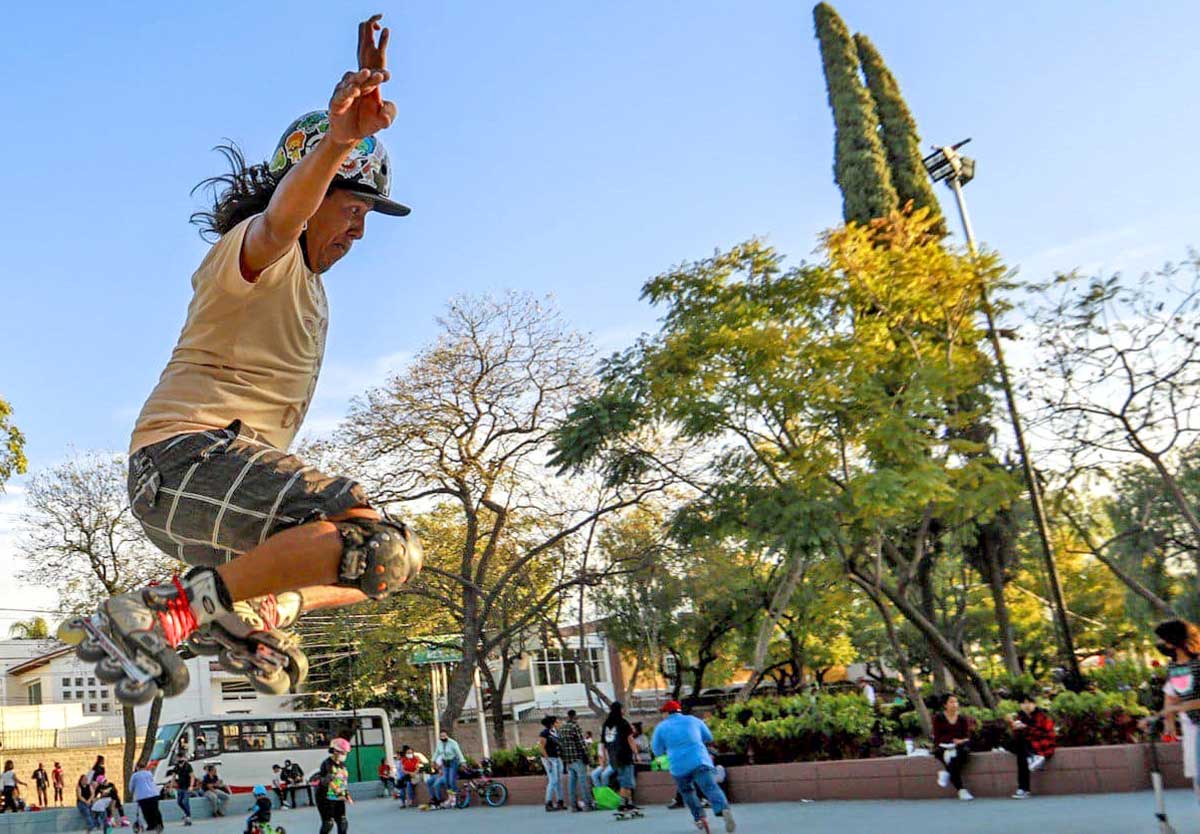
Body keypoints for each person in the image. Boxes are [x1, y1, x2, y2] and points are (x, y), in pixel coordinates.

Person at [57, 13, 423, 709]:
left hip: (210, 493)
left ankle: (253, 610)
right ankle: (169, 611)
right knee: (362, 522)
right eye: (351, 207)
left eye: (369, 216)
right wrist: (338, 142)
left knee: (389, 558)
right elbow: (285, 214)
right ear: (313, 196)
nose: (359, 228)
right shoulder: (258, 253)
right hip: (180, 464)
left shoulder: (313, 294)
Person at [651, 700, 736, 833]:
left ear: (667, 713)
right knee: (710, 787)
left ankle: (699, 817)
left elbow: (657, 750)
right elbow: (708, 737)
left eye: (663, 713)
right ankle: (723, 808)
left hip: (678, 766)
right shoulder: (694, 720)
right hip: (700, 760)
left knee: (687, 791)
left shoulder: (661, 727)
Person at [1142, 619, 1200, 801]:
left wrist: (1176, 708)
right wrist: (1169, 725)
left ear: (1174, 640)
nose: (1161, 644)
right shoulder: (1174, 667)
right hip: (1191, 726)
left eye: (1164, 639)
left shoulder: (1197, 664)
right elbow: (1171, 695)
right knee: (1197, 777)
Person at [1003, 692, 1056, 799]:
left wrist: (1026, 728)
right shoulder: (1020, 716)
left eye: (1029, 703)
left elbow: (1046, 733)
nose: (1026, 706)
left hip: (1041, 743)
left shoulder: (1042, 715)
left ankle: (1023, 788)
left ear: (1034, 704)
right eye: (1023, 703)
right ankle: (1033, 758)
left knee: (1021, 754)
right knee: (1017, 748)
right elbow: (1017, 735)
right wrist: (1012, 725)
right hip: (1026, 745)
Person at [932, 694, 975, 801]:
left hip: (958, 746)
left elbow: (967, 736)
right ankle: (961, 790)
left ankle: (947, 772)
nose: (955, 704)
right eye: (951, 702)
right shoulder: (939, 717)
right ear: (945, 705)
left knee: (962, 754)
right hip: (943, 747)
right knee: (949, 757)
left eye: (956, 702)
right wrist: (946, 743)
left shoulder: (962, 718)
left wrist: (960, 741)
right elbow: (937, 736)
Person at [601, 701, 639, 813]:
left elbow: (603, 743)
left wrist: (604, 757)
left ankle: (629, 802)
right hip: (624, 755)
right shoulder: (623, 723)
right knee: (626, 780)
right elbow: (630, 739)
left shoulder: (606, 724)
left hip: (613, 756)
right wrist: (636, 752)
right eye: (622, 708)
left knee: (624, 778)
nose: (623, 710)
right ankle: (623, 804)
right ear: (619, 710)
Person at [559, 710, 595, 812]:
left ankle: (574, 806)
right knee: (583, 782)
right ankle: (588, 804)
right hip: (578, 758)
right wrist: (588, 757)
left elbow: (560, 745)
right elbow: (581, 743)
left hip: (568, 760)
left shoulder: (562, 728)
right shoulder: (575, 727)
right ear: (575, 716)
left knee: (572, 783)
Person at [316, 738, 353, 834]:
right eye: (343, 753)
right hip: (324, 796)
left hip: (338, 796)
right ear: (336, 751)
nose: (345, 756)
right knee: (328, 823)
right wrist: (337, 790)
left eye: (346, 753)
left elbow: (343, 781)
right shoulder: (327, 764)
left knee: (342, 822)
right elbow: (328, 781)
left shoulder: (342, 765)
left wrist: (346, 794)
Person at [431, 730, 464, 806]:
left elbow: (459, 752)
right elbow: (437, 752)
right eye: (441, 736)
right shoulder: (439, 743)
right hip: (445, 762)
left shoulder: (453, 743)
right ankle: (450, 797)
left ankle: (455, 798)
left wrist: (462, 761)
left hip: (453, 761)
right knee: (446, 781)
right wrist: (433, 761)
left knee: (451, 780)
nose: (443, 737)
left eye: (444, 736)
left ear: (447, 736)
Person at [539, 715, 564, 812]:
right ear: (552, 724)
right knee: (553, 780)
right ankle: (548, 802)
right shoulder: (545, 733)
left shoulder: (556, 733)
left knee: (558, 780)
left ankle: (560, 801)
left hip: (557, 758)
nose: (559, 723)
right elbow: (541, 747)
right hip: (550, 759)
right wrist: (547, 759)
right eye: (557, 722)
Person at [129, 762, 163, 834]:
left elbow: (131, 787)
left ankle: (151, 825)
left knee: (146, 812)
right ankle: (159, 824)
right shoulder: (149, 773)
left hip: (142, 796)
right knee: (155, 810)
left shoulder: (135, 776)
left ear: (137, 767)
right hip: (153, 794)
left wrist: (133, 792)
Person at [167, 753, 196, 825]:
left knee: (185, 801)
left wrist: (191, 786)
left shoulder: (188, 766)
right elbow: (173, 777)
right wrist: (171, 787)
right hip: (180, 786)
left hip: (187, 786)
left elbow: (192, 776)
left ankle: (188, 816)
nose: (179, 760)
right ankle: (186, 814)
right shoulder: (176, 767)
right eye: (178, 758)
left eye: (180, 758)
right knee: (179, 802)